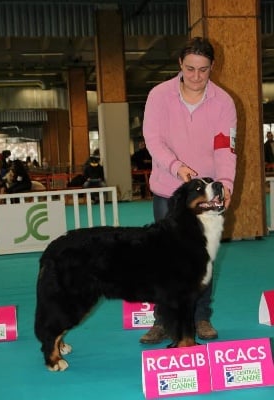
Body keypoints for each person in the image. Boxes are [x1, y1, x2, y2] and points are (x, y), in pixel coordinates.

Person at [140, 36, 237, 344]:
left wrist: (226, 185)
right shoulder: (158, 95)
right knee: (165, 259)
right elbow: (153, 139)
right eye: (191, 69)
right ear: (180, 64)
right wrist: (176, 166)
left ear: (212, 68)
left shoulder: (223, 102)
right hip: (168, 190)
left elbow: (225, 148)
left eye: (204, 70)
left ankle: (201, 317)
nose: (196, 77)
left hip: (206, 196)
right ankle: (162, 321)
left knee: (202, 258)